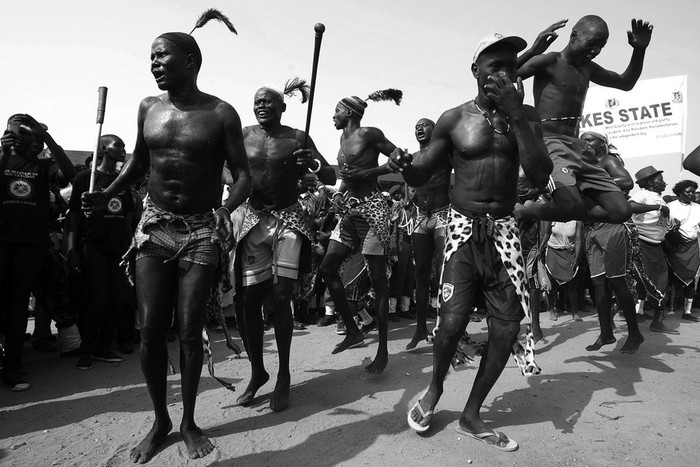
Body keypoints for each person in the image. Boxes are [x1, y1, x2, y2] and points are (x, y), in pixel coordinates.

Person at [82, 30, 250, 463]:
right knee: (151, 328)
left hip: (200, 228)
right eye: (150, 58)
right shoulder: (148, 108)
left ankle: (190, 421)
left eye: (161, 56)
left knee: (191, 329)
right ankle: (160, 420)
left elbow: (243, 173)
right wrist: (108, 193)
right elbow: (139, 161)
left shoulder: (220, 113)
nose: (153, 64)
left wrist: (225, 207)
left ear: (190, 60)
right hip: (155, 226)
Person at [391, 33, 552, 450]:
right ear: (476, 70)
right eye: (494, 64)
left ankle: (472, 413)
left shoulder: (527, 117)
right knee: (450, 324)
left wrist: (517, 116)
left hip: (503, 233)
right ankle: (433, 391)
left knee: (507, 327)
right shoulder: (454, 118)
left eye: (510, 65)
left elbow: (538, 175)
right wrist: (403, 164)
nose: (503, 72)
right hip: (462, 232)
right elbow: (421, 173)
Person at [235, 82, 335, 412]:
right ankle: (257, 372)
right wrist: (230, 184)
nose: (262, 106)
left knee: (280, 297)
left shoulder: (297, 138)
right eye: (257, 101)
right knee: (249, 300)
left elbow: (331, 175)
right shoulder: (243, 134)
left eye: (269, 102)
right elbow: (227, 168)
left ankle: (283, 375)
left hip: (289, 221)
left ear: (283, 107)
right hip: (252, 219)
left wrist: (314, 163)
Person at [516, 16, 653, 223]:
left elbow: (625, 83)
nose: (595, 51)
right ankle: (528, 211)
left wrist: (639, 49)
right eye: (591, 44)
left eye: (601, 47)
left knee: (621, 211)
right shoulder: (549, 61)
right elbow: (503, 76)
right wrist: (533, 51)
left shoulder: (589, 69)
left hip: (579, 148)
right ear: (573, 36)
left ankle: (568, 208)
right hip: (551, 144)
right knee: (569, 206)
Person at [318, 89, 402, 374]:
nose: (333, 115)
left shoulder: (369, 134)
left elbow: (400, 159)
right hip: (350, 212)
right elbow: (345, 175)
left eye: (337, 111)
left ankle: (383, 351)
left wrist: (368, 174)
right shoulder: (342, 139)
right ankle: (353, 330)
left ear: (349, 113)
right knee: (327, 269)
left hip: (373, 210)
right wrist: (339, 194)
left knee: (379, 283)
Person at [0, 114, 75, 392]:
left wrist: (49, 140)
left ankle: (13, 368)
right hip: (2, 242)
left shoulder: (42, 166)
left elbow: (68, 174)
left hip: (30, 245)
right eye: (15, 131)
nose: (21, 136)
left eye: (27, 132)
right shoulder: (3, 158)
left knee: (19, 307)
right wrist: (2, 152)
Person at [67, 134, 135, 370]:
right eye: (118, 145)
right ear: (103, 148)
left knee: (118, 299)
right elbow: (74, 216)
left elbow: (126, 219)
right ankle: (87, 351)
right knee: (98, 299)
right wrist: (72, 249)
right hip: (93, 245)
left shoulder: (122, 182)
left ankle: (104, 348)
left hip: (117, 249)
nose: (124, 148)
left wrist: (130, 247)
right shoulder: (85, 178)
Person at [578, 131, 644, 353]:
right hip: (591, 229)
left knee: (617, 282)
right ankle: (606, 333)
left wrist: (589, 186)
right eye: (582, 139)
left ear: (603, 144)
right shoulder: (582, 166)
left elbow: (626, 181)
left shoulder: (608, 161)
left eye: (589, 139)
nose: (584, 142)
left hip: (612, 227)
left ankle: (634, 334)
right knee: (597, 284)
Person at [406, 118, 450, 350]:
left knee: (443, 274)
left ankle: (444, 327)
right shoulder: (412, 157)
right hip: (421, 217)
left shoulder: (444, 153)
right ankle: (420, 327)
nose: (419, 128)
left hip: (443, 215)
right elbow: (414, 185)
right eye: (416, 125)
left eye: (424, 125)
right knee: (420, 274)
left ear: (435, 130)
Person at [628, 166, 676, 334]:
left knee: (659, 283)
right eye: (660, 180)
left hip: (656, 245)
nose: (664, 182)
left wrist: (670, 224)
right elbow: (631, 207)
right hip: (642, 244)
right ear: (650, 183)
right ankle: (613, 319)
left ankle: (656, 321)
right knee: (646, 282)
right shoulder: (643, 195)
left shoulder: (659, 198)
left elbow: (660, 225)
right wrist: (657, 209)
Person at [664, 180, 700, 322]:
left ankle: (687, 311)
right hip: (673, 247)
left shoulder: (698, 207)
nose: (692, 194)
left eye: (693, 191)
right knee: (666, 278)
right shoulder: (670, 207)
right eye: (688, 192)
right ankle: (658, 310)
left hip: (691, 247)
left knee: (691, 278)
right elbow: (662, 225)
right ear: (679, 192)